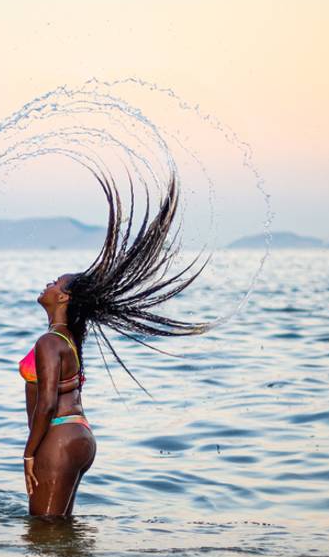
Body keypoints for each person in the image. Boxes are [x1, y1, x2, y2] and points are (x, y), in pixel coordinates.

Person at [20, 170, 211, 517]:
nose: (47, 284)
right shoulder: (69, 339)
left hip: (59, 437)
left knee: (44, 532)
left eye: (55, 282)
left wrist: (29, 453)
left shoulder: (50, 341)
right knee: (62, 532)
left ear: (63, 298)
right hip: (80, 437)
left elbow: (46, 403)